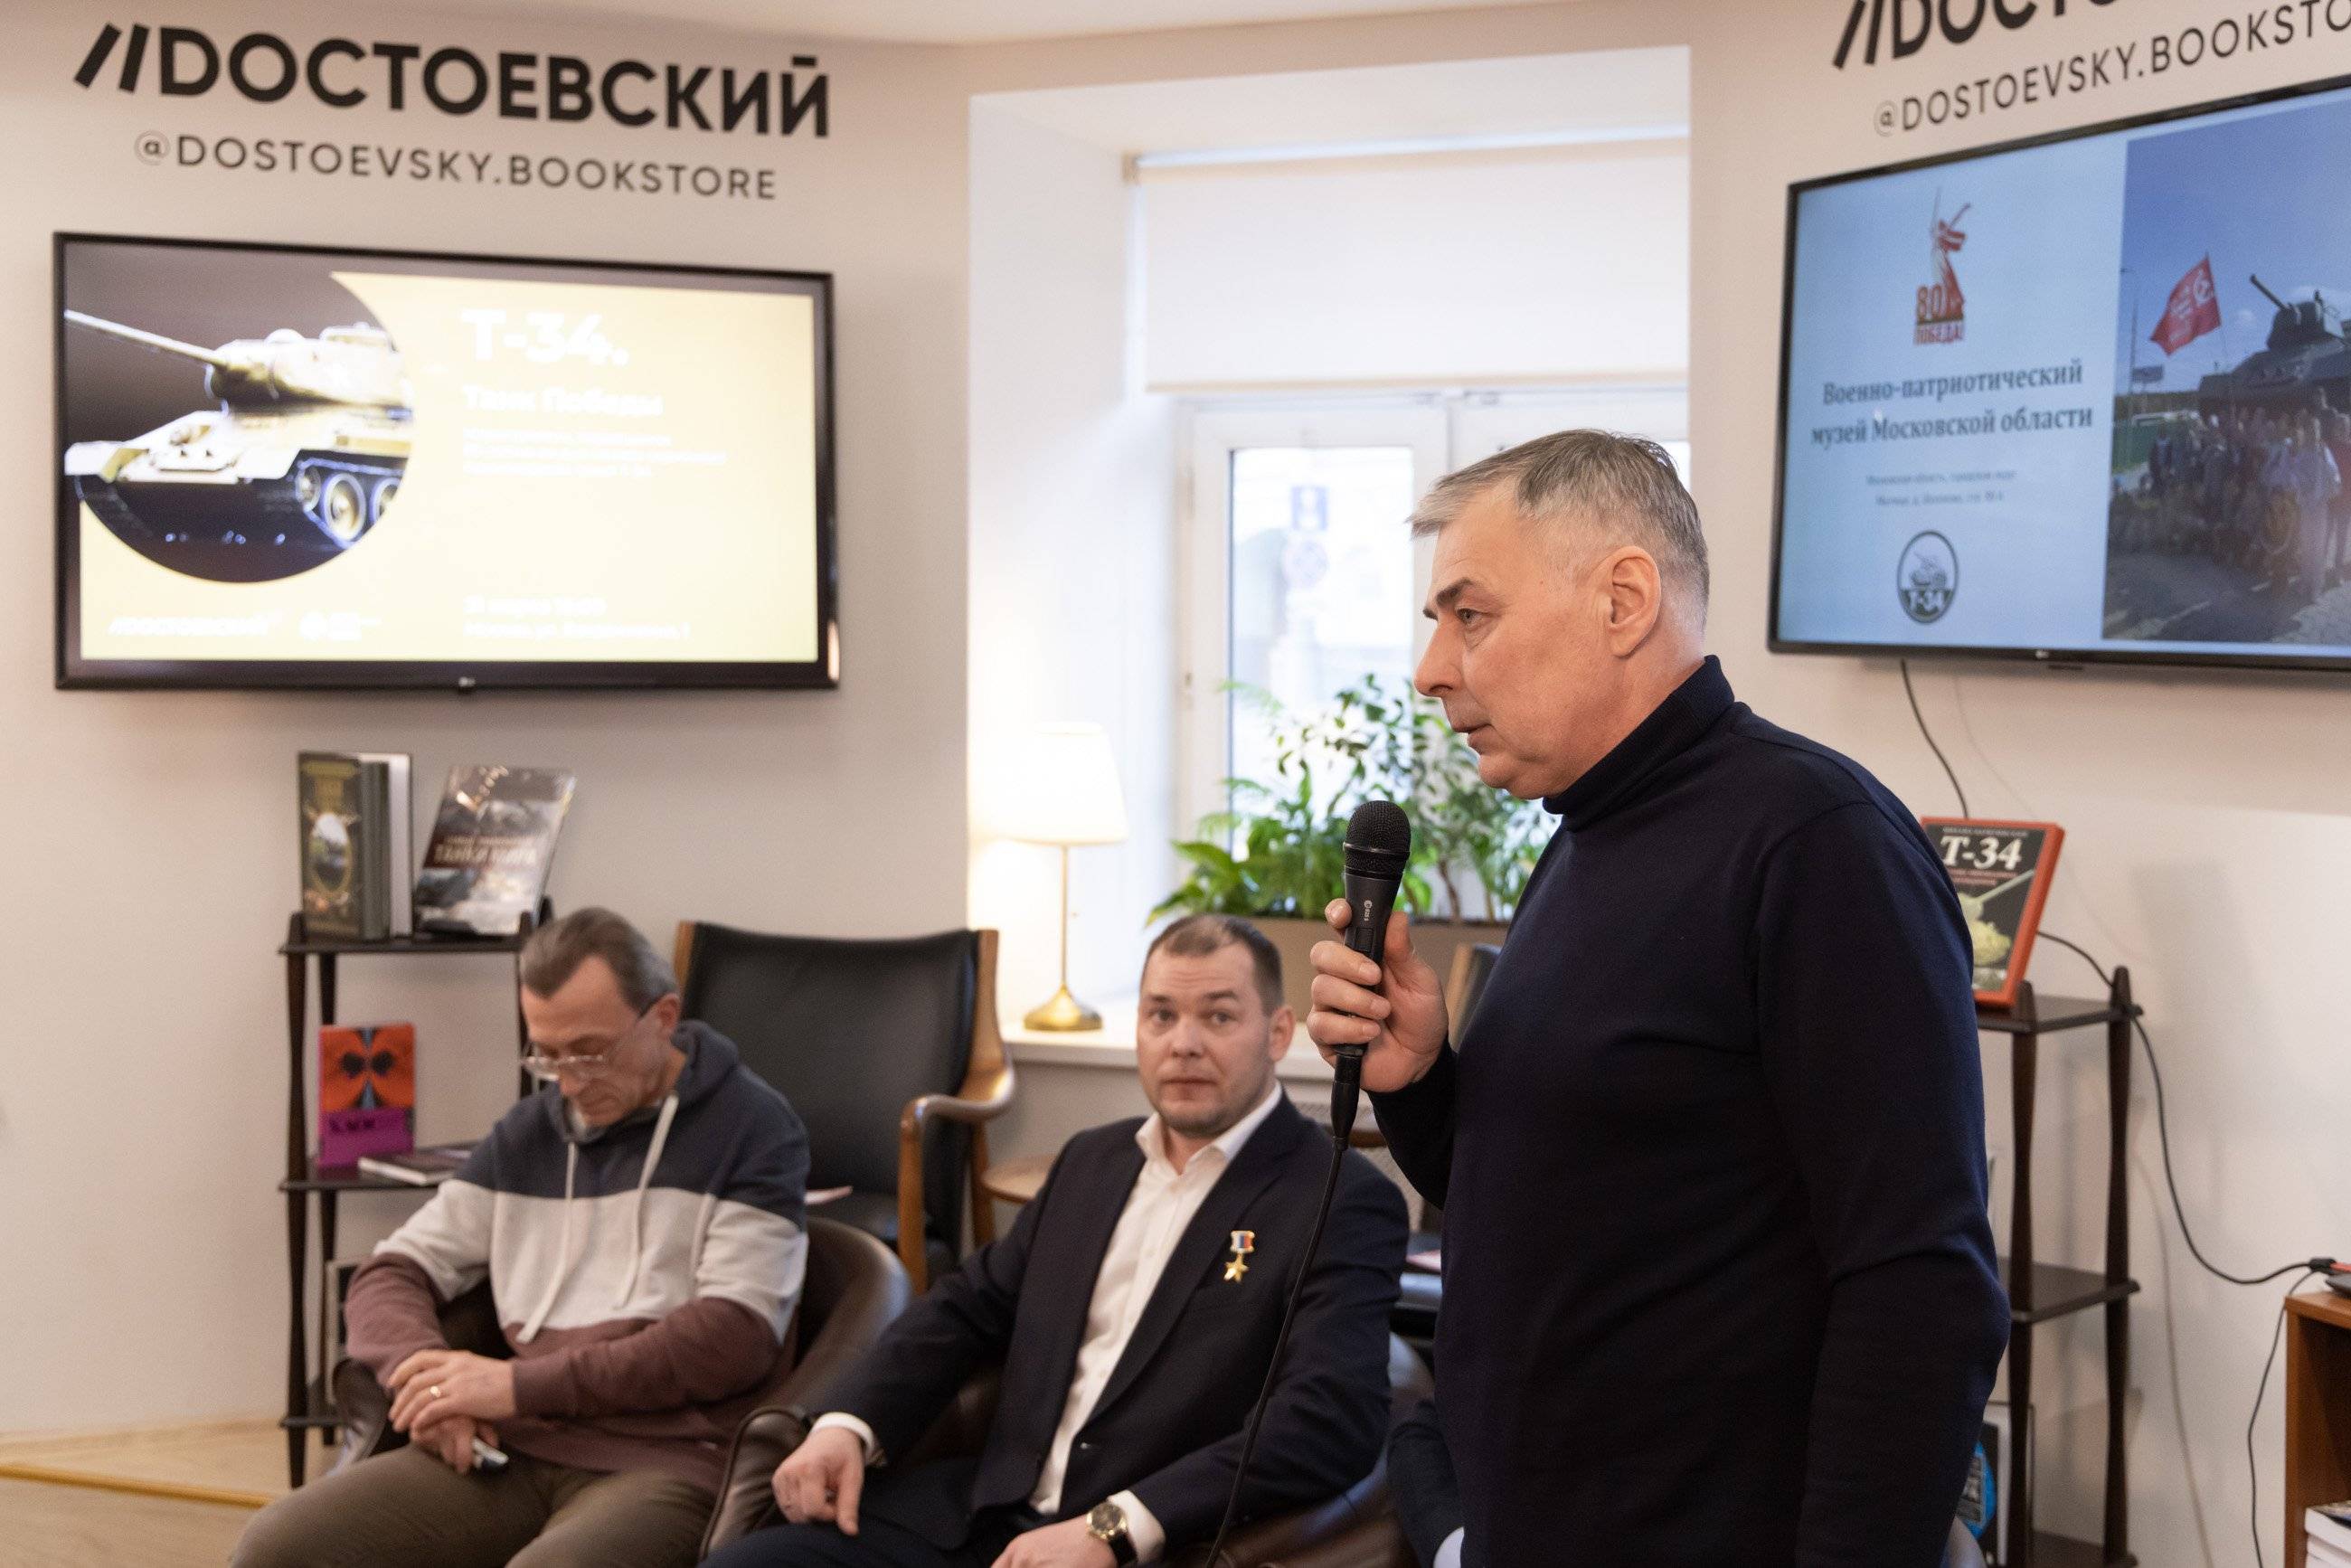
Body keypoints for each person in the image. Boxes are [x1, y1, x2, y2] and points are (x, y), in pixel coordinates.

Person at [1307, 430, 2007, 1566]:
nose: (1430, 668)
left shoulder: (1814, 842)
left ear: (1622, 600)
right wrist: (1421, 1078)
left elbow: (1918, 1284)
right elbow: (1559, 1204)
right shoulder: (1583, 836)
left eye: (1468, 615)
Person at [706, 913, 1407, 1568]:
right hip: (976, 1516)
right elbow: (965, 1308)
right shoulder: (1091, 1161)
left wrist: (1117, 1528)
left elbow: (1327, 1420)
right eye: (1161, 1015)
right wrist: (848, 1424)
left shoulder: (1338, 1198)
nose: (1184, 1043)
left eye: (1219, 1016)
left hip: (1138, 1542)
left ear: (1278, 1033)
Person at [234, 907, 812, 1568]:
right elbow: (390, 1272)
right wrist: (431, 1385)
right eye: (548, 1055)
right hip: (510, 1448)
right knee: (278, 1545)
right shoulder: (528, 1135)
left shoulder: (755, 1130)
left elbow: (733, 1338)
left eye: (591, 1051)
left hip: (668, 1460)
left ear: (663, 1016)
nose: (571, 1082)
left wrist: (515, 1386)